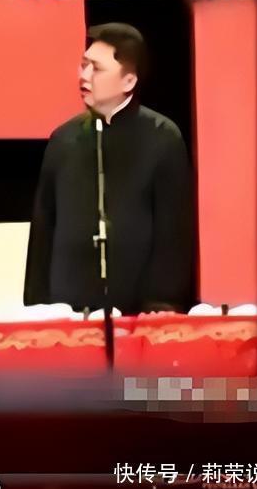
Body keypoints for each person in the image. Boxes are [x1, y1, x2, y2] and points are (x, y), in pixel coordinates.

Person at [24, 23, 194, 314]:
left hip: (140, 314)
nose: (84, 76)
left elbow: (173, 236)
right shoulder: (62, 140)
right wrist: (37, 307)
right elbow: (43, 234)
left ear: (128, 80)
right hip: (67, 314)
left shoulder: (163, 137)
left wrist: (161, 303)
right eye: (83, 65)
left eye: (97, 69)